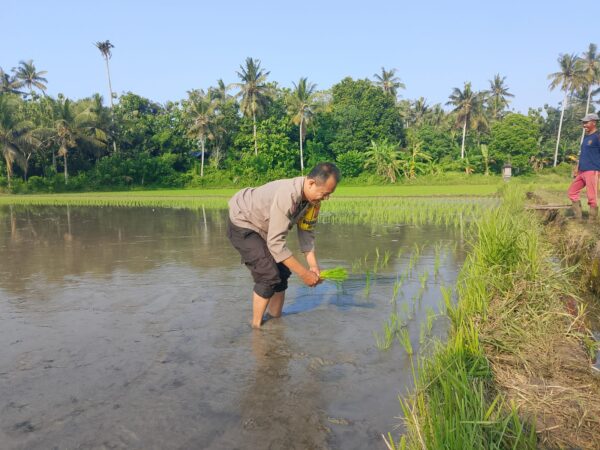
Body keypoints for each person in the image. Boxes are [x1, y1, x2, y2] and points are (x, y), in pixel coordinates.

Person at [227, 162, 340, 328]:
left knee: (282, 272)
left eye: (329, 194)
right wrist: (304, 274)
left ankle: (275, 322)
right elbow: (276, 244)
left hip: (265, 228)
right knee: (268, 274)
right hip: (243, 220)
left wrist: (313, 266)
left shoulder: (313, 202)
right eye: (325, 193)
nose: (326, 198)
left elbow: (306, 232)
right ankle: (256, 328)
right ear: (311, 183)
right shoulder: (288, 195)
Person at [568, 113, 600, 222]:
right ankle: (578, 218)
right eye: (583, 123)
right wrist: (577, 168)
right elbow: (582, 154)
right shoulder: (586, 138)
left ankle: (592, 222)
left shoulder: (597, 137)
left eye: (586, 122)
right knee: (572, 192)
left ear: (593, 123)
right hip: (582, 171)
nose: (584, 125)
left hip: (592, 170)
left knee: (592, 197)